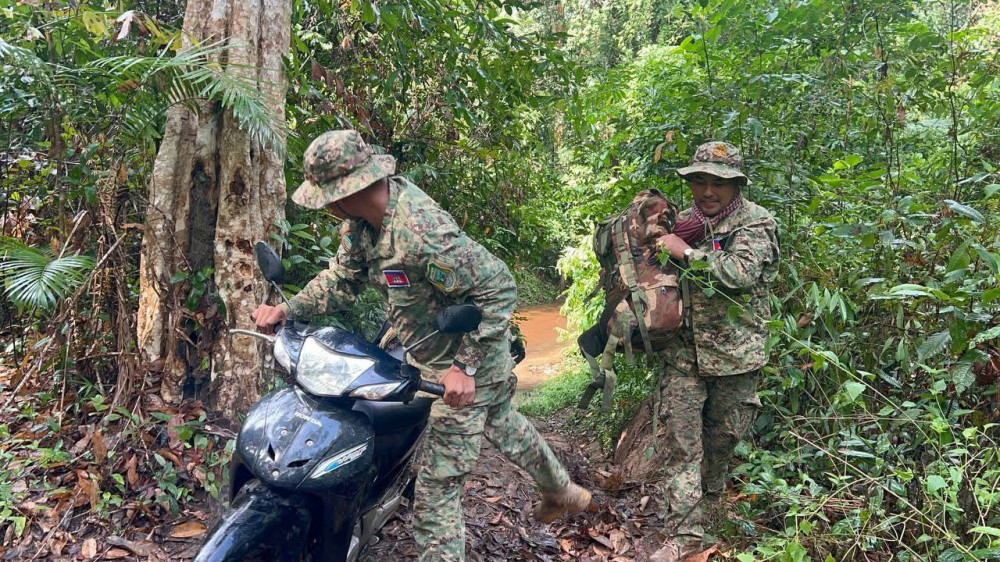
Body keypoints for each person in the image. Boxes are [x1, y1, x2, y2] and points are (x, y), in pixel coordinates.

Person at [251, 130, 591, 561]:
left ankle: (552, 494)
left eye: (327, 197)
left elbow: (498, 288)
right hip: (427, 353)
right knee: (502, 421)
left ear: (347, 191)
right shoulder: (360, 226)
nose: (326, 206)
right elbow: (342, 278)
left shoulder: (421, 230)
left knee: (435, 499)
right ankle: (561, 490)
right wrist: (289, 308)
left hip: (466, 365)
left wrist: (465, 368)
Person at [649, 141, 780, 562]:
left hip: (735, 357)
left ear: (737, 185)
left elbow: (739, 272)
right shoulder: (681, 223)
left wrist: (686, 253)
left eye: (718, 183)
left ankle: (710, 503)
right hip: (683, 355)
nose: (707, 191)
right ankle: (685, 536)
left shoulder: (756, 222)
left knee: (723, 440)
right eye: (699, 181)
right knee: (681, 445)